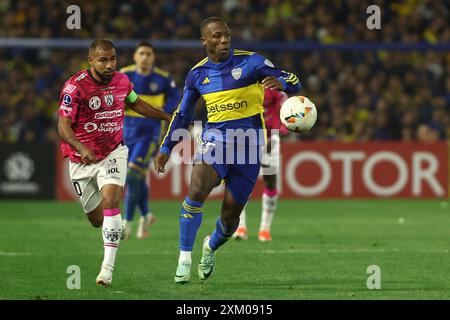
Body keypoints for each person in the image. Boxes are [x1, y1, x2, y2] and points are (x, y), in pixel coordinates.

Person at [154, 17, 300, 284]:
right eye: (217, 36)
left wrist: (285, 84)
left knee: (230, 219)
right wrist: (166, 146)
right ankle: (184, 258)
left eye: (227, 36)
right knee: (196, 188)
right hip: (216, 141)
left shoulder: (253, 62)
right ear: (204, 41)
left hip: (250, 146)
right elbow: (183, 114)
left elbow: (293, 80)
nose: (224, 41)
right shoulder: (197, 74)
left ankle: (210, 247)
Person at [57, 39, 171, 287]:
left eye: (113, 59)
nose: (109, 64)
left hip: (113, 151)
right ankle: (117, 228)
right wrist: (80, 147)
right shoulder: (74, 88)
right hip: (81, 159)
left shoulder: (122, 81)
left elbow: (135, 103)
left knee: (111, 199)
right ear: (91, 61)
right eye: (103, 60)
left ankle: (106, 270)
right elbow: (63, 126)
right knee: (97, 220)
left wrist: (166, 116)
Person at [120, 42, 180, 239]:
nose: (145, 57)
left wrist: (165, 111)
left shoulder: (163, 78)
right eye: (141, 53)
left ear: (153, 58)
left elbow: (174, 99)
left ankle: (126, 222)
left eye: (148, 54)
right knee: (136, 176)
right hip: (126, 131)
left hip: (150, 132)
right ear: (135, 57)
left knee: (132, 173)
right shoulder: (124, 75)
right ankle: (146, 214)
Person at [233, 88, 288, 242]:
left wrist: (278, 134)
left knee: (270, 181)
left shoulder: (277, 91)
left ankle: (265, 229)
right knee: (241, 182)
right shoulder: (243, 86)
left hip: (271, 140)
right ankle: (240, 227)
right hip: (246, 139)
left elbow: (286, 117)